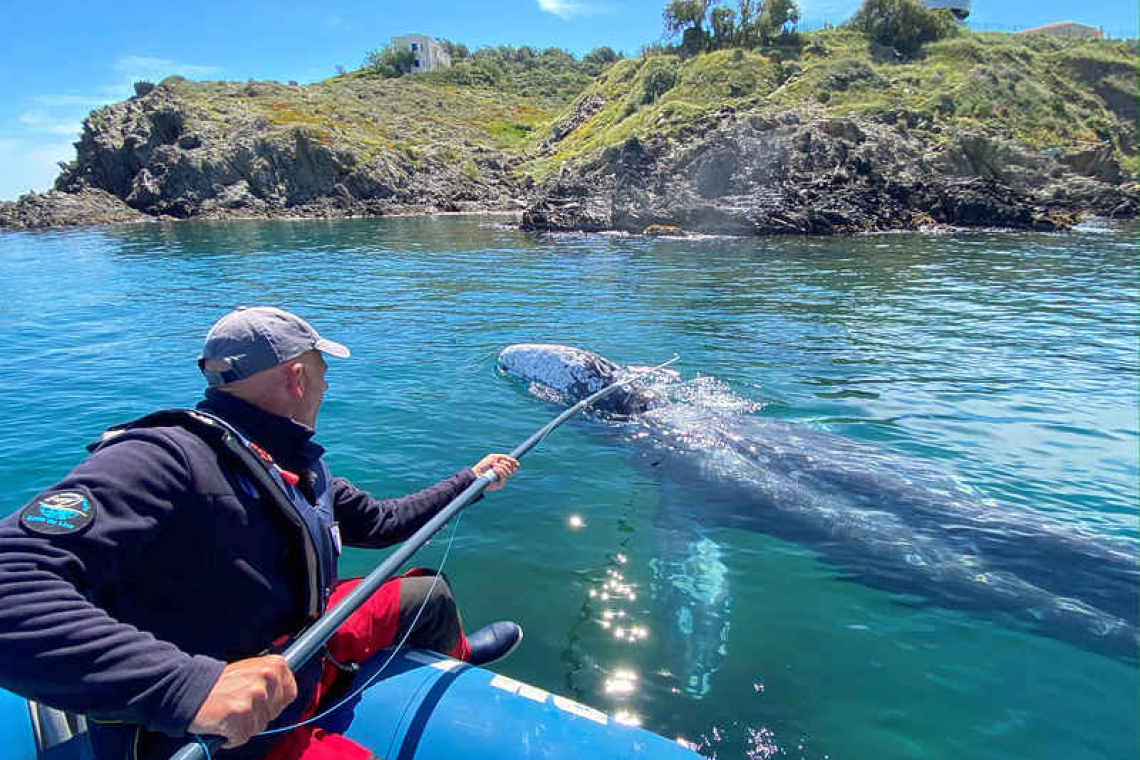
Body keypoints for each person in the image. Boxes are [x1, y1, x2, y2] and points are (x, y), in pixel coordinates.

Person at [0, 306, 522, 760]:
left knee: (424, 593)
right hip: (232, 735)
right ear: (296, 378)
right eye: (322, 374)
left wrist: (470, 482)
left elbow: (383, 523)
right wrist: (186, 686)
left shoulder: (293, 464)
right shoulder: (162, 458)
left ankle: (453, 663)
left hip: (298, 651)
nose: (325, 387)